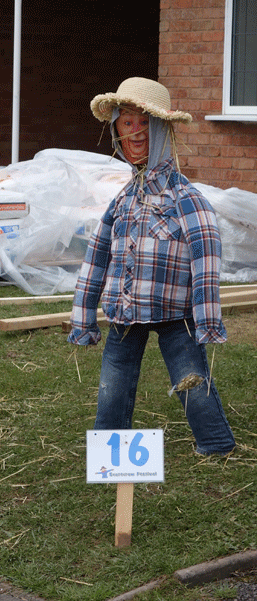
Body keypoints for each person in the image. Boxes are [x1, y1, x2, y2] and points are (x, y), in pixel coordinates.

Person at [68, 77, 235, 456]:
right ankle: (109, 449)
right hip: (126, 313)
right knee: (114, 381)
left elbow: (207, 262)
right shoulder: (122, 200)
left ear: (164, 130)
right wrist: (84, 317)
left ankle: (215, 442)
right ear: (116, 133)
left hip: (177, 315)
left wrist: (207, 321)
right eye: (127, 124)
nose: (136, 133)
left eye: (145, 123)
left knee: (190, 378)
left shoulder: (187, 199)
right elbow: (96, 258)